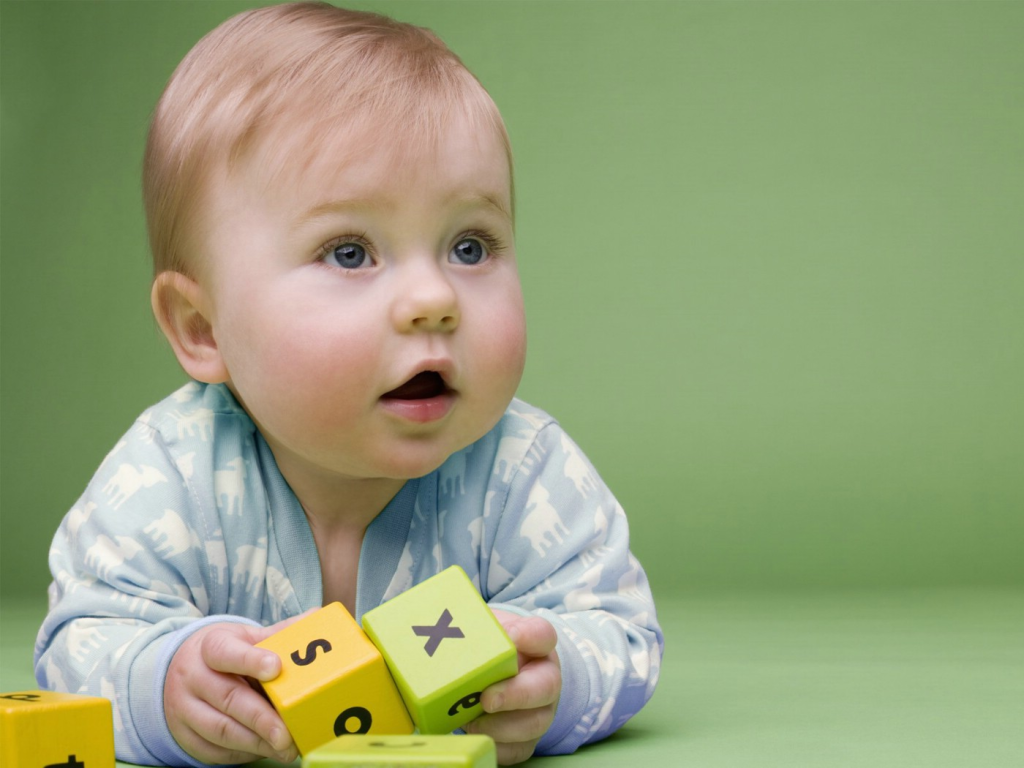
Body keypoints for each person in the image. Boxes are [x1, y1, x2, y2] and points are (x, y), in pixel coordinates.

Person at [34, 3, 663, 765]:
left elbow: (623, 631)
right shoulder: (168, 474)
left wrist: (556, 679)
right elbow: (80, 637)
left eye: (471, 244)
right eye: (349, 252)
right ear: (203, 328)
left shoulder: (524, 471)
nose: (434, 298)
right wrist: (163, 680)